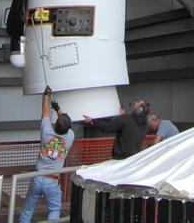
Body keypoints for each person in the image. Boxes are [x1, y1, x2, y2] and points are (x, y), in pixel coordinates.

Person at [19, 86, 74, 223]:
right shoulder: (70, 137)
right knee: (54, 210)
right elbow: (66, 124)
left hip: (37, 177)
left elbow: (45, 112)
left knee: (28, 210)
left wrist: (47, 95)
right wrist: (58, 109)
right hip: (53, 180)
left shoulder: (46, 131)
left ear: (55, 125)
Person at [84, 98, 149, 159]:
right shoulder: (145, 125)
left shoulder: (126, 118)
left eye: (137, 103)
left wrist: (92, 121)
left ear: (139, 109)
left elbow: (108, 127)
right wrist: (121, 117)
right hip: (133, 158)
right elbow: (130, 127)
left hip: (120, 158)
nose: (135, 103)